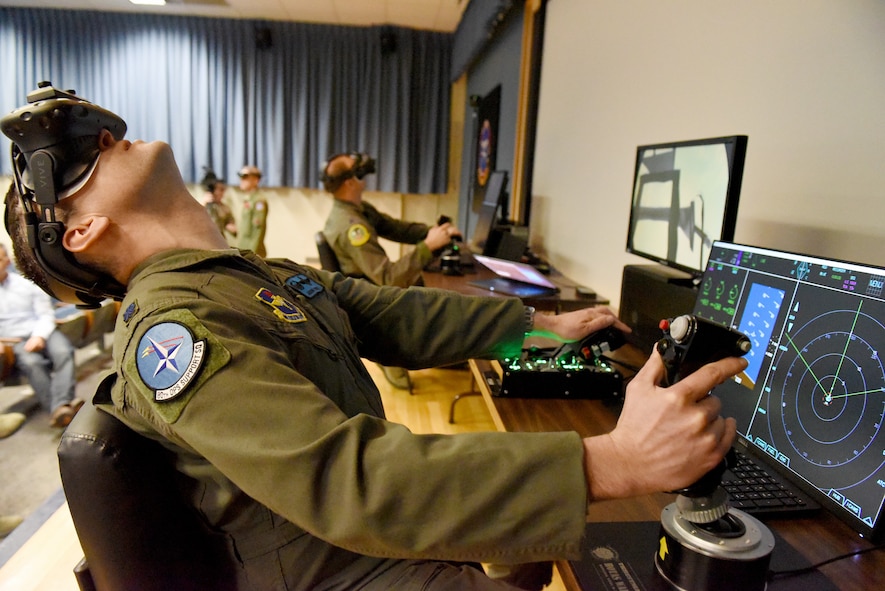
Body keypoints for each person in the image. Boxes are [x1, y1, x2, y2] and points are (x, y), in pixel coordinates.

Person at [2, 86, 744, 590]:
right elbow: (347, 479)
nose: (108, 138)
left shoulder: (237, 276)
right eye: (79, 162)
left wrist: (539, 325)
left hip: (369, 543)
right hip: (342, 570)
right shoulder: (175, 330)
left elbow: (392, 313)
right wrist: (613, 460)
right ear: (81, 230)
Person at [322, 152, 460, 288]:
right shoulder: (353, 228)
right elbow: (389, 278)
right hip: (371, 298)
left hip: (374, 288)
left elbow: (396, 229)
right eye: (357, 170)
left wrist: (436, 232)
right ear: (350, 183)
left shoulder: (357, 209)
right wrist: (428, 247)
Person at [0, 244, 83, 429]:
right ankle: (61, 407)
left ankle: (60, 406)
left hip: (42, 330)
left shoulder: (26, 283)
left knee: (63, 351)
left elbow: (45, 314)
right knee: (32, 363)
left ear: (6, 261)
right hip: (13, 339)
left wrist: (38, 336)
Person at [235, 164, 268, 257]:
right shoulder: (249, 199)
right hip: (243, 248)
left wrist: (251, 253)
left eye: (245, 177)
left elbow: (257, 230)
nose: (241, 181)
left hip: (251, 251)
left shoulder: (258, 201)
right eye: (241, 177)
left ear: (256, 180)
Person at [199, 167, 237, 244]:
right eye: (220, 190)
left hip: (218, 242)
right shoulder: (201, 204)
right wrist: (203, 203)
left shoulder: (224, 207)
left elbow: (231, 226)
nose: (223, 193)